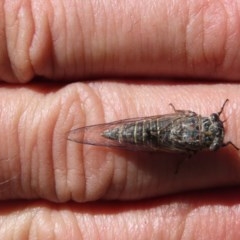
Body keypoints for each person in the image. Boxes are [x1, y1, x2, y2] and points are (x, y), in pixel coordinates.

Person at [0, 0, 240, 238]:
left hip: (153, 126)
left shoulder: (190, 118)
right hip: (154, 133)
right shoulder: (194, 147)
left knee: (148, 134)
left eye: (213, 125)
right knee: (152, 140)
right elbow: (184, 154)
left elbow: (181, 120)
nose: (214, 124)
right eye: (214, 120)